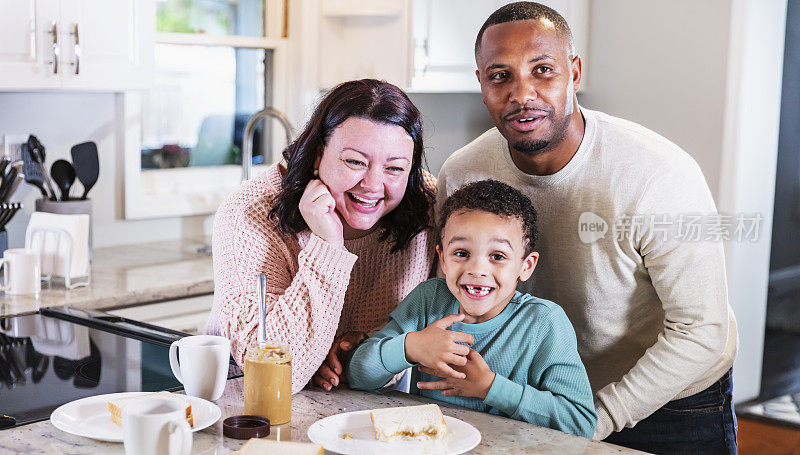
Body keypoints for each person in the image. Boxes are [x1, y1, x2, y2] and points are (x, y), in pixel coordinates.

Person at [436, 3, 738, 453]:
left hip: (671, 402)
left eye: (543, 70)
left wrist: (595, 420)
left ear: (574, 72)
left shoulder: (659, 174)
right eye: (500, 76)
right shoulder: (463, 174)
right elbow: (454, 291)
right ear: (481, 84)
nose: (523, 93)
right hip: (538, 395)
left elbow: (702, 330)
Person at [207, 79, 436, 394]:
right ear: (317, 155)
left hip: (360, 403)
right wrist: (328, 245)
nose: (372, 185)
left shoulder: (427, 207)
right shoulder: (250, 213)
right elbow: (279, 377)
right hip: (242, 401)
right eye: (354, 161)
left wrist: (360, 354)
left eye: (395, 168)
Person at [348, 180, 597, 438]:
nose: (477, 269)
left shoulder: (544, 323)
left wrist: (489, 387)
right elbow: (358, 375)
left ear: (526, 265)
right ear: (443, 258)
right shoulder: (428, 299)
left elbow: (580, 423)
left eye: (497, 256)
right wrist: (411, 347)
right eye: (461, 253)